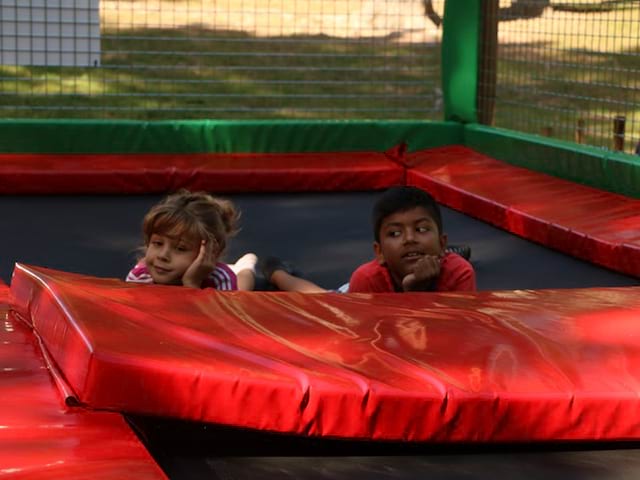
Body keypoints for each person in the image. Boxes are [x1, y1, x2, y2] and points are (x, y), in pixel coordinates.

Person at [263, 186, 476, 293]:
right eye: (395, 233)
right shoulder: (366, 280)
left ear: (442, 242)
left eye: (421, 229)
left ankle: (447, 253)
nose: (410, 238)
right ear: (379, 252)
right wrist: (413, 290)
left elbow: (455, 335)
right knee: (321, 298)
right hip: (353, 300)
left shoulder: (459, 273)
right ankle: (277, 274)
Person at [126, 189, 257, 290]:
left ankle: (247, 265)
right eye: (158, 243)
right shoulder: (139, 277)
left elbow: (218, 323)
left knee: (243, 289)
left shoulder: (220, 279)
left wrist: (192, 284)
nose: (163, 255)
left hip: (229, 278)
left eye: (180, 248)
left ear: (209, 252)